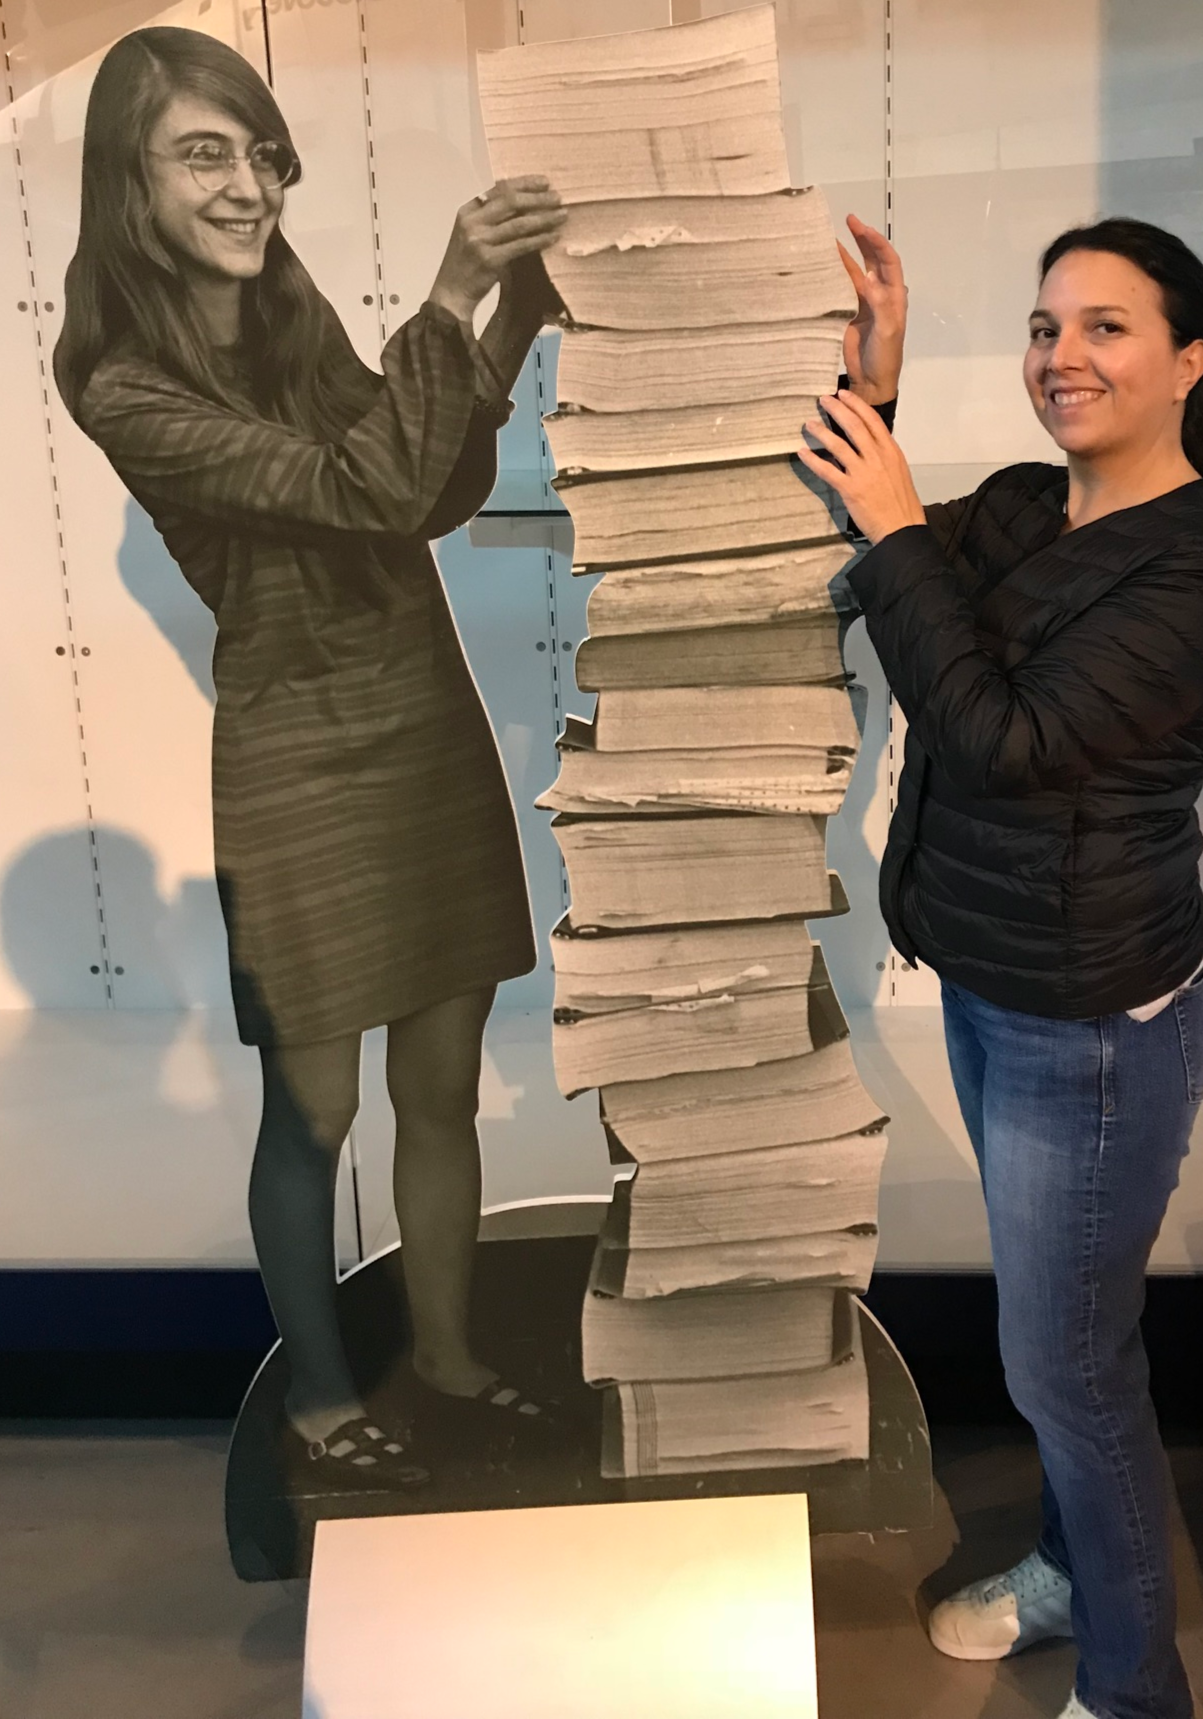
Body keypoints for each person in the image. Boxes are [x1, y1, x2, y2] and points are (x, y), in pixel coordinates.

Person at [55, 26, 568, 1490]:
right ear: (129, 183)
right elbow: (370, 483)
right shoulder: (120, 383)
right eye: (203, 154)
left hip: (417, 718)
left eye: (259, 152)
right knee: (319, 1108)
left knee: (446, 1084)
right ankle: (317, 1395)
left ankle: (454, 1351)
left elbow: (434, 486)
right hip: (298, 757)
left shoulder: (289, 322)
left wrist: (513, 314)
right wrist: (456, 292)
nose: (248, 185)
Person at [800, 214, 1203, 1719]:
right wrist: (875, 393)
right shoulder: (1017, 506)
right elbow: (903, 581)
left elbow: (1004, 744)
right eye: (1045, 325)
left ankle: (1139, 1695)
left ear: (1189, 359)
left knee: (1067, 1363)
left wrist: (890, 526)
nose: (1064, 356)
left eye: (1107, 327)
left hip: (1100, 1022)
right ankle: (1071, 1572)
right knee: (1068, 1336)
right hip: (1002, 973)